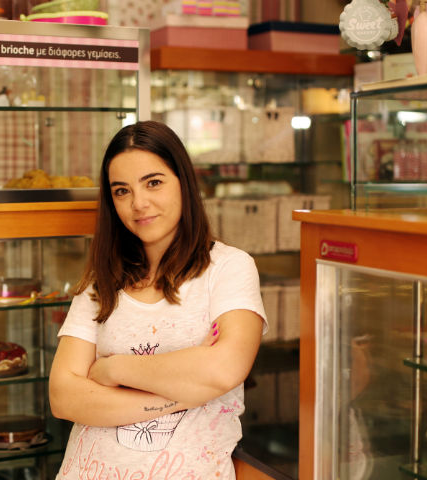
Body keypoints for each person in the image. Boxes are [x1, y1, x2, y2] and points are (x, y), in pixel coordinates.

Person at [49, 120, 267, 479]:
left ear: (183, 182)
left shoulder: (228, 268)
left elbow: (223, 370)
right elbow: (63, 398)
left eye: (153, 182)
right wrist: (186, 393)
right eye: (122, 191)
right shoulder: (101, 281)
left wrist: (113, 369)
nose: (139, 203)